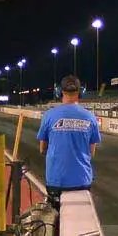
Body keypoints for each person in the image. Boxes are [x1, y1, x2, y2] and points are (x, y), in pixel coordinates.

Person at [37, 75, 101, 206]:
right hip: (82, 180)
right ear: (80, 92)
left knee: (54, 222)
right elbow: (91, 152)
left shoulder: (49, 115)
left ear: (59, 91)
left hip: (56, 180)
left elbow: (42, 148)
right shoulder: (90, 117)